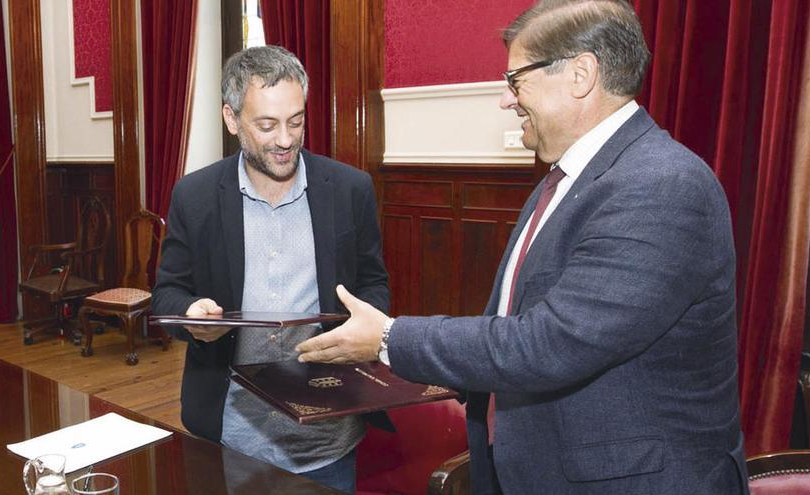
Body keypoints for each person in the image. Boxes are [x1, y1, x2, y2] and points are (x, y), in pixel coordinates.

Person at [296, 1, 749, 493]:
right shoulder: (566, 179)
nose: (506, 100)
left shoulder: (660, 184)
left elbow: (550, 343)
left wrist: (388, 338)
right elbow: (514, 322)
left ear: (580, 74)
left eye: (516, 80)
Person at [151, 45, 390, 493]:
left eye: (295, 121)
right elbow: (168, 293)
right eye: (267, 124)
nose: (285, 139)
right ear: (230, 118)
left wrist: (365, 330)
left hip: (328, 436)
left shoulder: (350, 189)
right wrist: (192, 318)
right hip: (233, 436)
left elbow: (373, 282)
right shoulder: (195, 196)